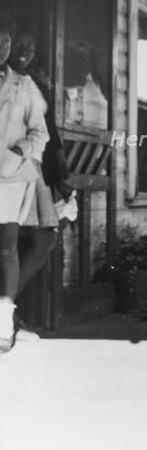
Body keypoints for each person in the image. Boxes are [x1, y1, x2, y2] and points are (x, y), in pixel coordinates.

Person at [9, 32, 70, 340]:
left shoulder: (35, 82)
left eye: (29, 47)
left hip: (34, 170)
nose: (23, 51)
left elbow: (51, 132)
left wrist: (60, 173)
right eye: (17, 44)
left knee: (44, 238)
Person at [0, 19, 49, 352]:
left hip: (9, 176)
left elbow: (40, 133)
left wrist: (19, 151)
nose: (2, 49)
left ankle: (3, 321)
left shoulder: (24, 85)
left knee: (6, 246)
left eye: (5, 43)